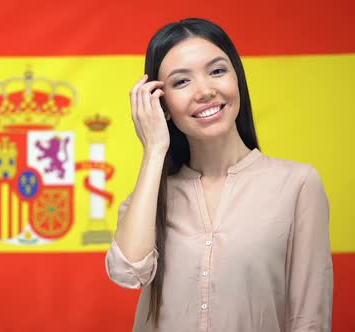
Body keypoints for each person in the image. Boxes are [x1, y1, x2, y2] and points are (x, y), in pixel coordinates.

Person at [105, 18, 333, 332]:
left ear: (237, 78)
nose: (206, 91)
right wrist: (154, 149)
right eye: (181, 82)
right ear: (162, 104)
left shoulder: (297, 185)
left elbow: (309, 319)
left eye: (217, 71)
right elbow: (127, 272)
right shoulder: (152, 195)